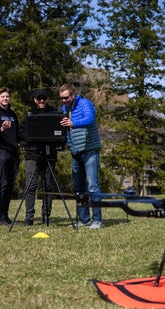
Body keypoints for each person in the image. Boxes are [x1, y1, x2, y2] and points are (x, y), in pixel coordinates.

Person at [59, 83, 103, 229]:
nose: (63, 101)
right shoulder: (65, 109)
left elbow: (89, 119)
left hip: (90, 150)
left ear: (73, 95)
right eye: (61, 99)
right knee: (78, 187)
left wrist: (73, 123)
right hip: (76, 151)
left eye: (66, 98)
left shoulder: (85, 103)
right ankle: (84, 219)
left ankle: (97, 220)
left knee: (92, 185)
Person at [19, 89, 58, 226]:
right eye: (39, 98)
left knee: (48, 185)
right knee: (31, 185)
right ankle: (29, 217)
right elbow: (21, 132)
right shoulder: (30, 114)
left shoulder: (54, 113)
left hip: (49, 154)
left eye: (44, 98)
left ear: (47, 99)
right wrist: (32, 138)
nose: (42, 101)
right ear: (35, 100)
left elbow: (60, 133)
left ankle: (46, 215)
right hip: (32, 154)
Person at [0, 87, 20, 226]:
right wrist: (1, 129)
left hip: (13, 152)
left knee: (10, 184)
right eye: (2, 97)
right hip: (1, 151)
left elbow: (18, 132)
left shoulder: (12, 114)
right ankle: (0, 217)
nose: (5, 99)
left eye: (7, 96)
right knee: (3, 183)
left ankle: (5, 216)